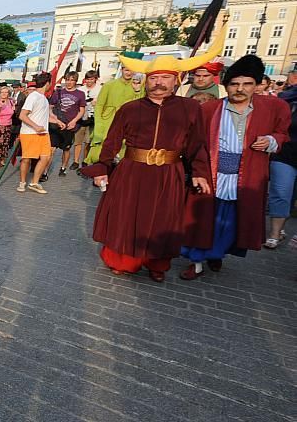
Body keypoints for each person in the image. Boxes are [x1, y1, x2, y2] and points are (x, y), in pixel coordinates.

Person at [81, 43, 223, 282]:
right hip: (131, 172)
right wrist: (103, 168)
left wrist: (199, 172)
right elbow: (112, 141)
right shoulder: (130, 108)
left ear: (176, 80)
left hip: (169, 173)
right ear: (146, 80)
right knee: (126, 217)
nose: (159, 82)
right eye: (154, 77)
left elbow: (197, 143)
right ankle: (123, 261)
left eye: (165, 77)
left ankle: (157, 264)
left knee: (163, 220)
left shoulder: (189, 108)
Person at [181, 55, 290, 279]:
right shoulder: (209, 109)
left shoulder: (273, 107)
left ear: (257, 85)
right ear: (226, 85)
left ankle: (216, 254)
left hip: (247, 175)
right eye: (234, 84)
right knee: (203, 218)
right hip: (212, 173)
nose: (240, 89)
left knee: (231, 221)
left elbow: (282, 134)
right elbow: (196, 144)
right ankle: (197, 261)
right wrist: (198, 173)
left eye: (247, 84)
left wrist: (271, 141)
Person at [85, 56, 144, 164]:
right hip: (108, 121)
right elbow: (99, 105)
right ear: (121, 69)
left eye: (131, 70)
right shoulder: (109, 85)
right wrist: (99, 125)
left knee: (122, 155)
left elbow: (140, 106)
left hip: (127, 124)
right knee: (101, 155)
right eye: (126, 70)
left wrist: (137, 90)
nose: (129, 73)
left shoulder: (139, 87)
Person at [264, 75, 297, 249]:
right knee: (281, 192)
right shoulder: (287, 99)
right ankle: (275, 233)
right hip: (286, 154)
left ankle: (283, 227)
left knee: (291, 196)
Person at [17, 75, 53, 194]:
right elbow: (22, 115)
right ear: (47, 83)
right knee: (26, 159)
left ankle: (34, 183)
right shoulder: (33, 96)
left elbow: (43, 116)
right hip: (30, 133)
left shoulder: (43, 98)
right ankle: (22, 182)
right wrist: (36, 127)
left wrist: (58, 121)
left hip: (43, 133)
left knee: (45, 157)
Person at [47, 71, 85, 178]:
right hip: (57, 125)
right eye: (67, 80)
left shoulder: (80, 94)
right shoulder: (58, 92)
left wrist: (74, 121)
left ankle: (63, 167)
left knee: (66, 149)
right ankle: (45, 171)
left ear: (75, 81)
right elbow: (50, 107)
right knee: (51, 149)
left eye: (72, 80)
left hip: (70, 126)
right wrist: (54, 118)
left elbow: (82, 110)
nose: (69, 82)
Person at [71, 70, 101, 171]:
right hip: (81, 118)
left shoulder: (100, 89)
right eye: (87, 79)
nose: (89, 81)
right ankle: (75, 161)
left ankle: (85, 161)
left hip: (93, 118)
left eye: (91, 79)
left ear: (95, 79)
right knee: (78, 141)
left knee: (88, 141)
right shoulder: (81, 89)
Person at [0, 86, 15, 168]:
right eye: (2, 92)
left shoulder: (11, 101)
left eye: (6, 92)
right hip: (0, 125)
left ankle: (2, 159)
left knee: (5, 144)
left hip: (8, 125)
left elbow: (13, 112)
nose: (4, 94)